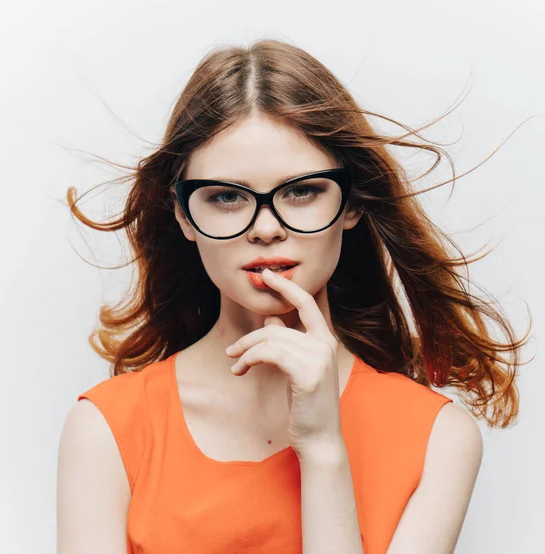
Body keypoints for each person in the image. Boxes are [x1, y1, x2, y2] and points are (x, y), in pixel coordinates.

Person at [56, 39, 531, 554]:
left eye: (301, 191)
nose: (265, 228)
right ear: (183, 216)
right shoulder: (108, 428)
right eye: (226, 196)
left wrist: (324, 449)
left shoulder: (438, 438)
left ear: (351, 204)